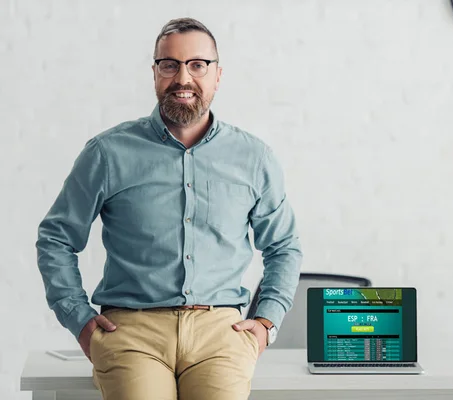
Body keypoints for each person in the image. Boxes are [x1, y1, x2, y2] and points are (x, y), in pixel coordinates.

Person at [36, 17, 302, 400]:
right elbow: (56, 238)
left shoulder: (253, 158)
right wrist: (80, 322)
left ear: (217, 75)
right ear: (155, 73)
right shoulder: (108, 153)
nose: (183, 78)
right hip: (131, 331)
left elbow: (284, 246)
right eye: (169, 64)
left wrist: (266, 323)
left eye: (197, 64)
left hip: (221, 333)